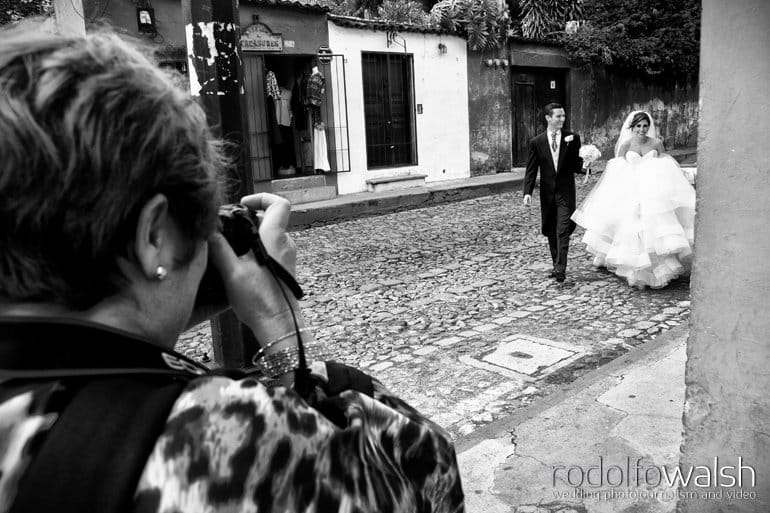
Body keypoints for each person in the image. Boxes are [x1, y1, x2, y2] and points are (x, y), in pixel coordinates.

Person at [0, 24, 464, 513]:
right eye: (201, 226)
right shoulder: (219, 438)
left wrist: (159, 309)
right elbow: (428, 476)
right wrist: (281, 328)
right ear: (155, 236)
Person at [571, 111, 696, 289]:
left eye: (645, 126)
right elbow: (617, 169)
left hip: (653, 191)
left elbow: (664, 166)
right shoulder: (626, 145)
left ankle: (656, 271)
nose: (642, 129)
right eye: (638, 126)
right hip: (631, 190)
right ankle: (633, 268)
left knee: (654, 228)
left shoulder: (656, 144)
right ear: (632, 127)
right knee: (631, 227)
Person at [522, 103, 585, 283]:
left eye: (563, 116)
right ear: (548, 118)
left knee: (563, 229)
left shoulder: (573, 138)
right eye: (558, 116)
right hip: (547, 193)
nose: (562, 119)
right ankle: (556, 264)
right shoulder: (537, 142)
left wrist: (585, 165)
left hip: (566, 192)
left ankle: (560, 268)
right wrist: (527, 192)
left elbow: (576, 165)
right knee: (551, 229)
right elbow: (531, 169)